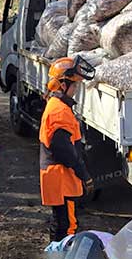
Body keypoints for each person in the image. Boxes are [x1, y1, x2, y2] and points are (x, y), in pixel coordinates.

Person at [40, 57, 95, 243]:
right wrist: (84, 175)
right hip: (62, 178)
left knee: (60, 222)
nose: (76, 90)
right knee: (68, 226)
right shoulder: (59, 112)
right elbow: (65, 152)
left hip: (58, 176)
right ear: (63, 85)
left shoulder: (57, 106)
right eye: (75, 86)